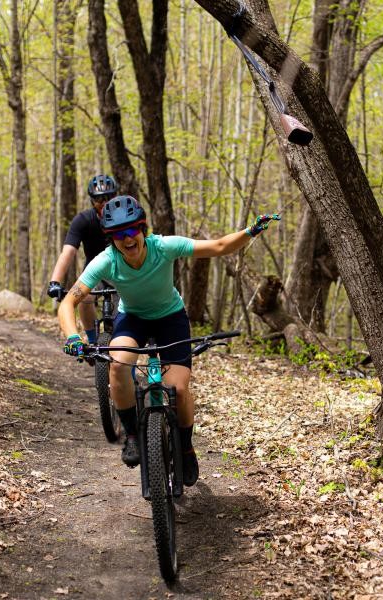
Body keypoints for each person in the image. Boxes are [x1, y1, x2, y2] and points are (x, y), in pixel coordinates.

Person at [57, 195, 280, 485]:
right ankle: (133, 437)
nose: (126, 239)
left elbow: (219, 246)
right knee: (117, 365)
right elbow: (68, 303)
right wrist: (73, 336)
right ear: (111, 239)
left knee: (178, 387)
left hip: (170, 318)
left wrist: (250, 231)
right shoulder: (106, 261)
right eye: (118, 235)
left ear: (142, 229)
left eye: (131, 231)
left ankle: (186, 448)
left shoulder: (163, 247)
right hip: (132, 318)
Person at [47, 174, 119, 344]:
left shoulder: (124, 218)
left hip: (120, 272)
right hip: (94, 271)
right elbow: (68, 252)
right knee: (84, 298)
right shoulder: (83, 220)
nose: (103, 203)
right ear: (91, 200)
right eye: (98, 199)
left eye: (108, 198)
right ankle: (93, 341)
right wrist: (55, 282)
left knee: (124, 313)